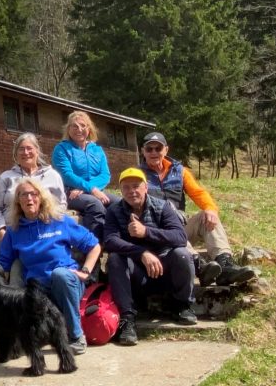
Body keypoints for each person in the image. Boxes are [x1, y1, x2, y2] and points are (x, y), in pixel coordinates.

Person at [0, 178, 101, 355]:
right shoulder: (14, 231)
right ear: (18, 201)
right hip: (37, 291)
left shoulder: (59, 221)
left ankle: (76, 336)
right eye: (24, 195)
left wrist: (85, 271)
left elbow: (94, 246)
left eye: (34, 194)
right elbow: (2, 267)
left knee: (60, 274)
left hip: (66, 285)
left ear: (41, 198)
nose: (29, 199)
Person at [139, 132, 256, 286]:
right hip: (156, 232)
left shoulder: (179, 171)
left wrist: (210, 209)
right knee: (173, 232)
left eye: (158, 148)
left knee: (206, 216)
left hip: (181, 224)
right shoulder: (137, 175)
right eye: (149, 149)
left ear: (166, 150)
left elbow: (198, 192)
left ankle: (225, 265)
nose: (154, 152)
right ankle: (200, 267)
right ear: (143, 151)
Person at [104, 168, 196, 346]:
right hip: (137, 274)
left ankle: (182, 305)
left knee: (182, 254)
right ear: (121, 191)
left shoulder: (162, 207)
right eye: (126, 187)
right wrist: (142, 253)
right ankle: (127, 319)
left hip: (165, 270)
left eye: (136, 186)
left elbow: (180, 237)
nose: (132, 191)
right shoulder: (114, 211)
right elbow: (110, 241)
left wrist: (146, 232)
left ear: (146, 187)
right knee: (115, 258)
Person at [0, 133, 67, 286]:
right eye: (21, 149)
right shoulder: (6, 177)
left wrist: (48, 225)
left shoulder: (52, 176)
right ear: (15, 154)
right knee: (6, 279)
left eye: (29, 148)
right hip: (10, 236)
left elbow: (61, 205)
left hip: (43, 238)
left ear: (37, 151)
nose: (26, 153)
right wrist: (2, 231)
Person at [52, 111, 120, 240]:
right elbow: (66, 175)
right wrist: (91, 189)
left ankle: (117, 241)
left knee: (120, 203)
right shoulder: (61, 149)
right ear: (68, 129)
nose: (79, 129)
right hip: (70, 192)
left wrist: (87, 188)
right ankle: (95, 245)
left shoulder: (97, 150)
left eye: (83, 126)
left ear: (89, 129)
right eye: (75, 126)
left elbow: (105, 175)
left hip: (93, 190)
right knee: (95, 204)